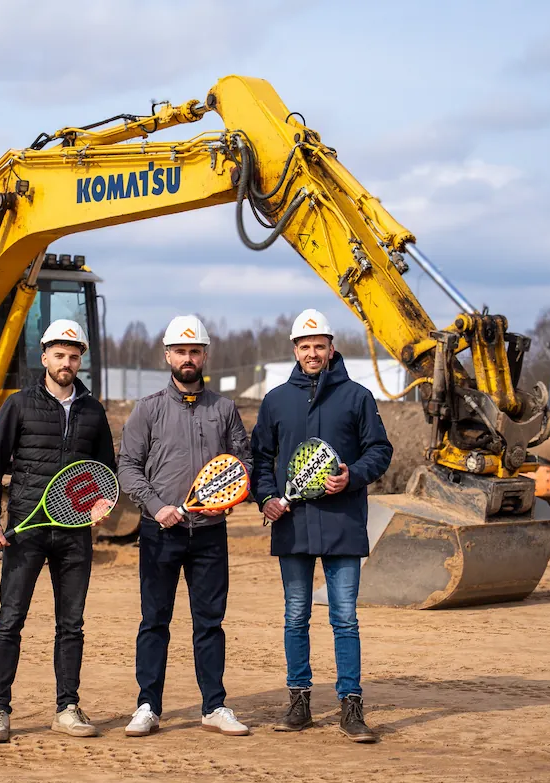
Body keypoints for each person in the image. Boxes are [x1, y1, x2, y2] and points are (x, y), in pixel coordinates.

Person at [250, 309, 393, 743]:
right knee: (295, 615)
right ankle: (300, 703)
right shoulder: (276, 400)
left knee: (344, 617)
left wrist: (354, 476)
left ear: (331, 348)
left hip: (342, 524)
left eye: (319, 346)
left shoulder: (357, 397)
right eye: (305, 346)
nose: (312, 353)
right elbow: (260, 458)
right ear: (295, 350)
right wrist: (267, 497)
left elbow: (380, 450)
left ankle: (351, 705)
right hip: (292, 526)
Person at [0, 319, 116, 743]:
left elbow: (105, 469)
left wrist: (101, 503)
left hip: (74, 533)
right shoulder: (18, 405)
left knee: (71, 625)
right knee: (10, 621)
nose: (66, 363)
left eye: (73, 356)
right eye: (59, 355)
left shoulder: (93, 411)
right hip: (26, 531)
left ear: (80, 361)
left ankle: (67, 708)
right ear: (44, 358)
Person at [117, 315, 253, 737]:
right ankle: (147, 706)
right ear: (167, 355)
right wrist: (157, 507)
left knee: (209, 623)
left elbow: (244, 463)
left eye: (195, 351)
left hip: (209, 534)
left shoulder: (224, 409)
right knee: (154, 621)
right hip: (159, 533)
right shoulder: (148, 408)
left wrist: (228, 496)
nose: (188, 358)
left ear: (205, 355)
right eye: (180, 351)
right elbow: (128, 466)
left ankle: (214, 706)